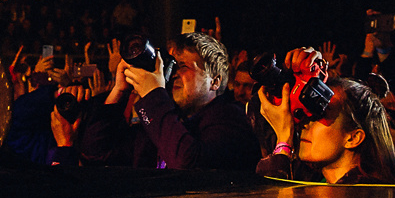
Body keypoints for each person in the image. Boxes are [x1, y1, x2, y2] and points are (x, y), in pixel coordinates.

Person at [78, 32, 260, 170]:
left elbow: (187, 164)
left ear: (215, 81)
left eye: (183, 67)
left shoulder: (231, 119)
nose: (173, 75)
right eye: (170, 67)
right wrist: (119, 92)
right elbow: (95, 153)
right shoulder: (161, 121)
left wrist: (153, 94)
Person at [257, 76, 395, 184]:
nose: (305, 124)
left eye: (318, 116)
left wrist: (283, 141)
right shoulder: (321, 183)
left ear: (353, 138)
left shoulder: (362, 192)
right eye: (307, 113)